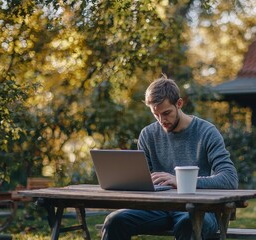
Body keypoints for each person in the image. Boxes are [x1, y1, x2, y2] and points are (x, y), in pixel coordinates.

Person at [101, 74, 239, 240]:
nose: (161, 120)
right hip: (160, 208)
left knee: (187, 225)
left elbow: (230, 179)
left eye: (166, 113)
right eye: (156, 114)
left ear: (179, 104)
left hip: (200, 209)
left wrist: (181, 182)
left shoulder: (206, 132)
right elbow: (144, 181)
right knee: (114, 222)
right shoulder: (148, 135)